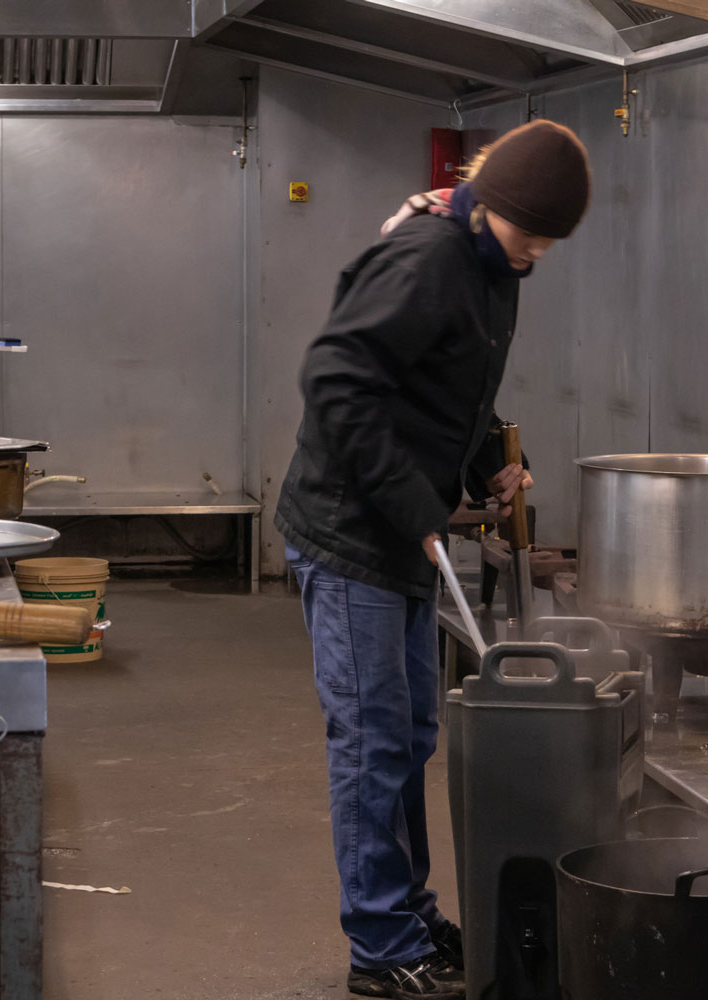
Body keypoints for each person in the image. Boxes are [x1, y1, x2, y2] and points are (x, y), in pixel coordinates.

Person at [274, 120, 591, 1000]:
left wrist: (489, 460)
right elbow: (338, 381)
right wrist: (416, 503)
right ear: (489, 204)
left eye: (547, 242)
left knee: (410, 735)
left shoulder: (497, 264)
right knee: (374, 742)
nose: (537, 255)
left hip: (400, 533)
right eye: (529, 235)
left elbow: (454, 381)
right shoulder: (426, 259)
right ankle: (379, 946)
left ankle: (406, 913)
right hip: (350, 535)